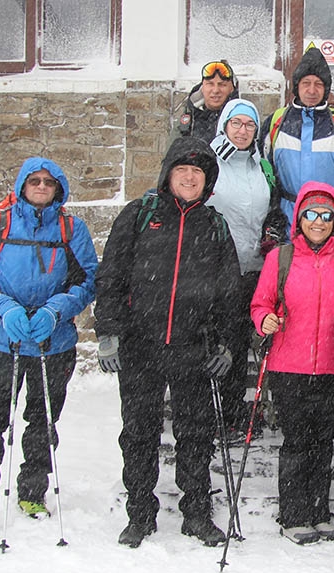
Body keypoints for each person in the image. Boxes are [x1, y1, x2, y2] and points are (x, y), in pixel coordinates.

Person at [94, 136, 241, 549]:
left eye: (198, 172)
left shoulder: (214, 226)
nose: (190, 177)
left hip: (193, 348)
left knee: (195, 435)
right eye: (183, 170)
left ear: (207, 180)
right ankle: (139, 515)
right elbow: (111, 278)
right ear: (168, 175)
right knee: (139, 433)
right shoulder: (139, 215)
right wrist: (108, 332)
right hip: (142, 346)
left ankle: (196, 513)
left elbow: (230, 293)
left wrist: (226, 344)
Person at [0, 157, 99, 543]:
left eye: (49, 182)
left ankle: (33, 493)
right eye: (34, 181)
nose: (41, 186)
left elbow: (86, 281)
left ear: (59, 188)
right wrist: (4, 308)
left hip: (54, 344)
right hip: (5, 341)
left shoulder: (72, 229)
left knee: (42, 422)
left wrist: (57, 309)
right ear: (22, 185)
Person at [250, 182, 334, 545]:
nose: (318, 221)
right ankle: (294, 514)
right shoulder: (279, 258)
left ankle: (319, 511)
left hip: (332, 363)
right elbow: (260, 304)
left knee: (324, 440)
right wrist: (264, 320)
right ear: (299, 218)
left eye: (326, 215)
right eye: (310, 214)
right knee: (298, 440)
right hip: (289, 364)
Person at [207, 98, 284, 434]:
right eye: (236, 123)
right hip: (217, 267)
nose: (242, 131)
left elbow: (275, 206)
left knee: (247, 339)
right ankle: (217, 410)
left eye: (249, 125)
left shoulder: (261, 165)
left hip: (255, 267)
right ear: (224, 125)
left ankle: (247, 408)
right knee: (223, 341)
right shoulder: (209, 162)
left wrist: (273, 229)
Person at [258, 46, 334, 253]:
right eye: (306, 83)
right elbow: (264, 173)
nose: (311, 90)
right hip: (286, 219)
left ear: (326, 89)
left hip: (326, 221)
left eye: (318, 84)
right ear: (296, 86)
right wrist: (271, 215)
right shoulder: (276, 122)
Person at [174, 59, 241, 143]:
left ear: (232, 89)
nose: (215, 90)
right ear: (203, 88)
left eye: (222, 85)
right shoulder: (188, 120)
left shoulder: (243, 120)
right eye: (210, 84)